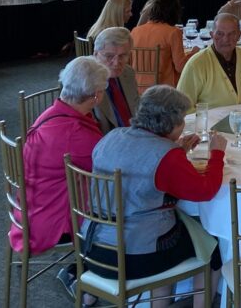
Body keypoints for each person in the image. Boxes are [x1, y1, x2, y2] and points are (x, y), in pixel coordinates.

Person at [85, 85, 224, 308]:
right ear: (172, 122)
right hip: (133, 256)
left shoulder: (112, 136)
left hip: (93, 246)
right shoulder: (167, 156)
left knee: (174, 229)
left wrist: (176, 150)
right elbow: (205, 190)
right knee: (212, 246)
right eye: (182, 120)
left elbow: (138, 164)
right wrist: (217, 153)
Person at [10, 56, 106, 258]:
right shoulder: (76, 134)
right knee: (123, 201)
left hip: (29, 210)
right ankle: (98, 265)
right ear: (96, 96)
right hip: (52, 223)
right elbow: (111, 167)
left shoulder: (51, 114)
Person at [177, 13, 241, 108]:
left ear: (239, 35)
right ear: (212, 35)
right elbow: (180, 107)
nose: (225, 39)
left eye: (231, 34)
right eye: (220, 34)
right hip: (210, 118)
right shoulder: (196, 64)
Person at [131, 0, 189, 89]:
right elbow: (180, 67)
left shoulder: (135, 31)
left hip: (136, 87)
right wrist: (194, 53)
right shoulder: (173, 32)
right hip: (163, 89)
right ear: (175, 12)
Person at [92, 27, 139, 133]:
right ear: (95, 54)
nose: (116, 63)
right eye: (109, 56)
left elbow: (136, 108)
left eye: (122, 56)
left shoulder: (128, 73)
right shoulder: (85, 82)